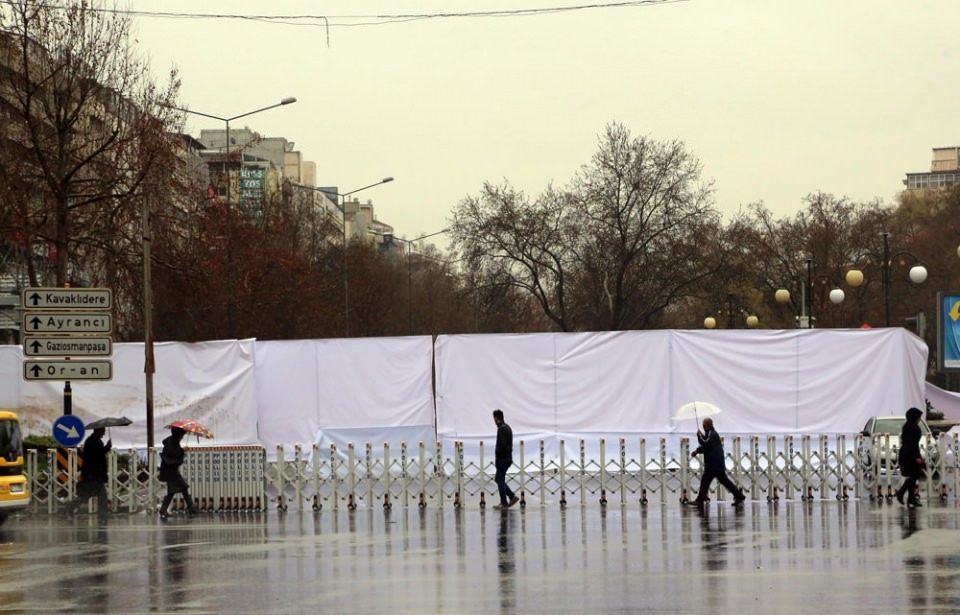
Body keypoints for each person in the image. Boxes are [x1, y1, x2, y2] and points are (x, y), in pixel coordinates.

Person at [687, 417, 746, 508]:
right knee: (724, 481)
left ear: (706, 426)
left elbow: (705, 442)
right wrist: (697, 451)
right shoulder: (711, 434)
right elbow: (707, 446)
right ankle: (739, 496)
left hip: (713, 463)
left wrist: (699, 435)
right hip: (717, 463)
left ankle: (699, 500)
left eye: (704, 425)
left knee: (705, 481)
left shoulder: (711, 433)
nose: (703, 427)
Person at [66, 427, 111, 517]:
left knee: (100, 495)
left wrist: (106, 448)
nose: (104, 433)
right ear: (98, 431)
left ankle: (102, 513)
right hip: (92, 474)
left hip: (97, 475)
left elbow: (99, 454)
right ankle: (71, 506)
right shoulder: (91, 441)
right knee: (87, 495)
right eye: (103, 431)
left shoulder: (98, 441)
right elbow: (95, 455)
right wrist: (106, 447)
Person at [158, 426, 199, 518]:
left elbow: (174, 453)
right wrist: (183, 451)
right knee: (178, 489)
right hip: (170, 472)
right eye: (181, 435)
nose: (182, 437)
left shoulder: (171, 442)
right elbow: (174, 455)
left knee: (180, 489)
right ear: (178, 435)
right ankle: (190, 507)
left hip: (170, 471)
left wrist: (181, 450)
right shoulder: (173, 443)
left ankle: (190, 507)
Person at [895, 407, 925, 508]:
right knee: (914, 475)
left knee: (914, 475)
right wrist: (915, 457)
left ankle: (911, 499)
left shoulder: (913, 426)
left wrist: (918, 456)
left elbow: (915, 444)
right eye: (918, 417)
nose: (919, 419)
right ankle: (901, 493)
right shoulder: (909, 427)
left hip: (912, 453)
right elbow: (910, 444)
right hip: (908, 455)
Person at [493, 409, 519, 510]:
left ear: (496, 418)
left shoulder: (501, 429)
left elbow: (502, 445)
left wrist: (497, 454)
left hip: (503, 459)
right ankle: (512, 496)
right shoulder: (507, 427)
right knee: (498, 479)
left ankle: (503, 503)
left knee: (500, 481)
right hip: (507, 458)